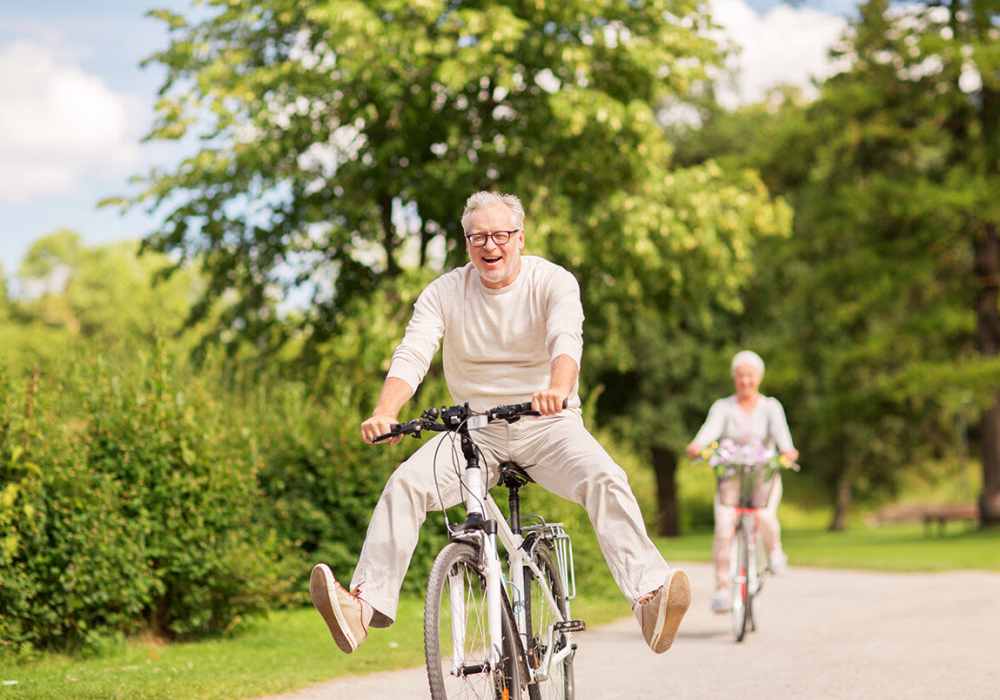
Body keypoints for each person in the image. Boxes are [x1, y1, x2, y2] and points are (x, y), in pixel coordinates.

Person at [309, 191, 690, 656]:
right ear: (467, 243)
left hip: (547, 424)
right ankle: (362, 608)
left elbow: (566, 340)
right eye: (478, 237)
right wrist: (385, 411)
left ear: (520, 238)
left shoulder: (552, 281)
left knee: (605, 478)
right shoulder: (445, 291)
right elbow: (413, 353)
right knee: (405, 484)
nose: (490, 246)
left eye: (500, 235)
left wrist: (557, 388)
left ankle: (649, 598)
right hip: (474, 431)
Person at [685, 350, 798, 614]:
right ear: (734, 378)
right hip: (731, 477)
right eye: (740, 375)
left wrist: (788, 451)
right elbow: (709, 431)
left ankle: (775, 552)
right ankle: (723, 590)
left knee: (765, 516)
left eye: (750, 375)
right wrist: (697, 445)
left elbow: (783, 437)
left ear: (759, 377)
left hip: (762, 477)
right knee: (724, 528)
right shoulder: (723, 407)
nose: (745, 381)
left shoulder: (771, 407)